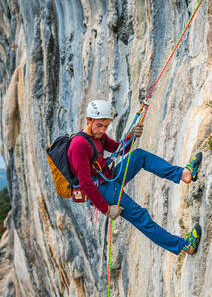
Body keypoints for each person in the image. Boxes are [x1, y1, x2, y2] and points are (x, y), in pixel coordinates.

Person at [67, 100, 202, 255]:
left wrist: (130, 136)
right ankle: (185, 246)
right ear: (88, 120)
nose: (103, 129)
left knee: (139, 156)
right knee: (140, 216)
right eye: (99, 125)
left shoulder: (98, 136)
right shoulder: (79, 145)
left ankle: (184, 174)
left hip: (109, 178)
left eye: (106, 126)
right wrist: (106, 209)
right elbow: (85, 184)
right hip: (101, 189)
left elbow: (117, 149)